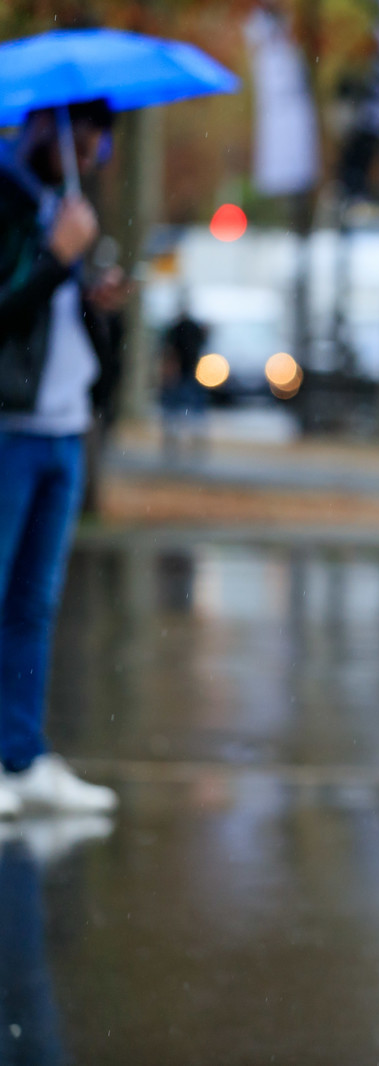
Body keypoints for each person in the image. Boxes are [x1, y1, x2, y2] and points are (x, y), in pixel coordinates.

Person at [0, 99, 123, 816]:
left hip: (62, 429)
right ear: (41, 127)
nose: (95, 149)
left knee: (32, 606)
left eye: (101, 139)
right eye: (82, 134)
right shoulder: (14, 206)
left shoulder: (60, 206)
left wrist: (95, 301)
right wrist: (57, 257)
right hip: (10, 428)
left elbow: (58, 325)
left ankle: (21, 757)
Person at [158, 294, 210, 463]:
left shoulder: (176, 328)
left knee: (177, 410)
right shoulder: (190, 328)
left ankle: (177, 442)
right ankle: (191, 442)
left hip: (185, 372)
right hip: (188, 372)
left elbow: (169, 350)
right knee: (190, 410)